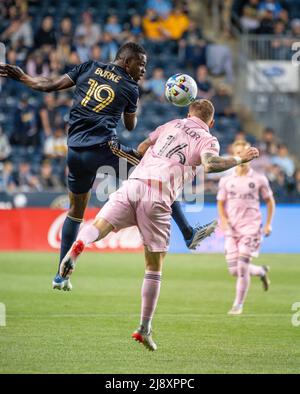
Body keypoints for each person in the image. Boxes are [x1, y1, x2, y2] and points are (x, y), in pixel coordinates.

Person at [0, 42, 214, 292]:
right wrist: (133, 105)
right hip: (103, 149)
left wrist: (22, 76)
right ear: (126, 62)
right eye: (141, 65)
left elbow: (48, 85)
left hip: (74, 152)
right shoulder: (130, 87)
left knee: (75, 212)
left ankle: (61, 276)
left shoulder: (88, 67)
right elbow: (131, 126)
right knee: (154, 169)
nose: (143, 70)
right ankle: (188, 232)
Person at [58, 99, 259, 351]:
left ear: (188, 113)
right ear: (212, 122)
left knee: (101, 224)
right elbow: (210, 165)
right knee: (154, 265)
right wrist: (240, 159)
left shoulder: (171, 123)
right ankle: (144, 328)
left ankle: (79, 244)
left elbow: (142, 147)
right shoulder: (208, 139)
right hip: (159, 195)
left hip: (133, 184)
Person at [217, 140, 275, 316]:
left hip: (251, 228)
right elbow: (220, 203)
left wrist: (268, 224)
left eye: (245, 152)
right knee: (234, 270)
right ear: (234, 154)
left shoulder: (259, 179)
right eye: (239, 152)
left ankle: (238, 305)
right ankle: (261, 271)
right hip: (232, 229)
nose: (243, 155)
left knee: (242, 266)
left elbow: (270, 201)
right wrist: (224, 222)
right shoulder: (226, 180)